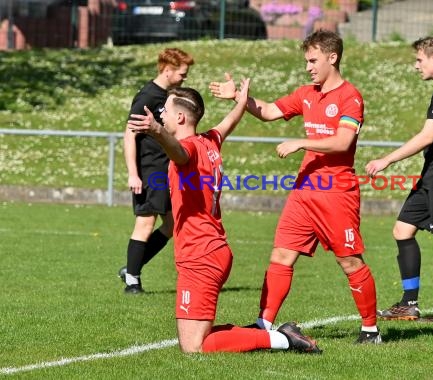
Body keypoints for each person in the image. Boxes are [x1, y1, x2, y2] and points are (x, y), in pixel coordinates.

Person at [209, 29, 381, 344]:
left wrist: (301, 142)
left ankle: (370, 329)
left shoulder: (350, 97)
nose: (308, 67)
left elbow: (344, 141)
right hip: (304, 191)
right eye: (306, 61)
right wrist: (239, 97)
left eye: (313, 60)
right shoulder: (306, 93)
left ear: (333, 57)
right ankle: (263, 324)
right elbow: (270, 111)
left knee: (349, 261)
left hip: (336, 192)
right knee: (281, 255)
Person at [127, 81, 321, 353]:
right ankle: (271, 336)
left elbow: (178, 152)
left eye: (165, 111)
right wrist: (240, 101)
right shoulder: (209, 140)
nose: (161, 114)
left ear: (180, 117)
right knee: (195, 339)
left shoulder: (190, 149)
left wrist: (157, 131)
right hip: (213, 250)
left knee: (194, 347)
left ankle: (283, 339)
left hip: (200, 255)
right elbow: (229, 122)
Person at [365, 36, 433, 322]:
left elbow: (428, 136)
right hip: (431, 176)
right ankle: (409, 303)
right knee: (402, 230)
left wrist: (387, 159)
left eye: (419, 60)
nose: (416, 66)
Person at [118, 47, 194, 294]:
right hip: (150, 169)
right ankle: (132, 281)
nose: (185, 78)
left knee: (171, 224)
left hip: (167, 170)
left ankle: (132, 267)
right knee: (146, 221)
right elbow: (129, 135)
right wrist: (133, 173)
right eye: (182, 73)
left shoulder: (169, 96)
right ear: (168, 70)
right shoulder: (148, 96)